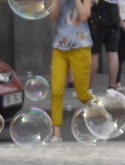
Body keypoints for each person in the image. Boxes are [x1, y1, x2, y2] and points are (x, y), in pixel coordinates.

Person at [48, 0, 95, 142]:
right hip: (59, 47)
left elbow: (84, 16)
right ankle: (56, 134)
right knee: (56, 91)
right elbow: (52, 17)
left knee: (82, 94)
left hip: (81, 47)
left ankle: (104, 113)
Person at [90, 0, 122, 92]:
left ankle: (88, 87)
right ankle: (112, 86)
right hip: (114, 14)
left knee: (94, 53)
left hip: (100, 16)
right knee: (113, 52)